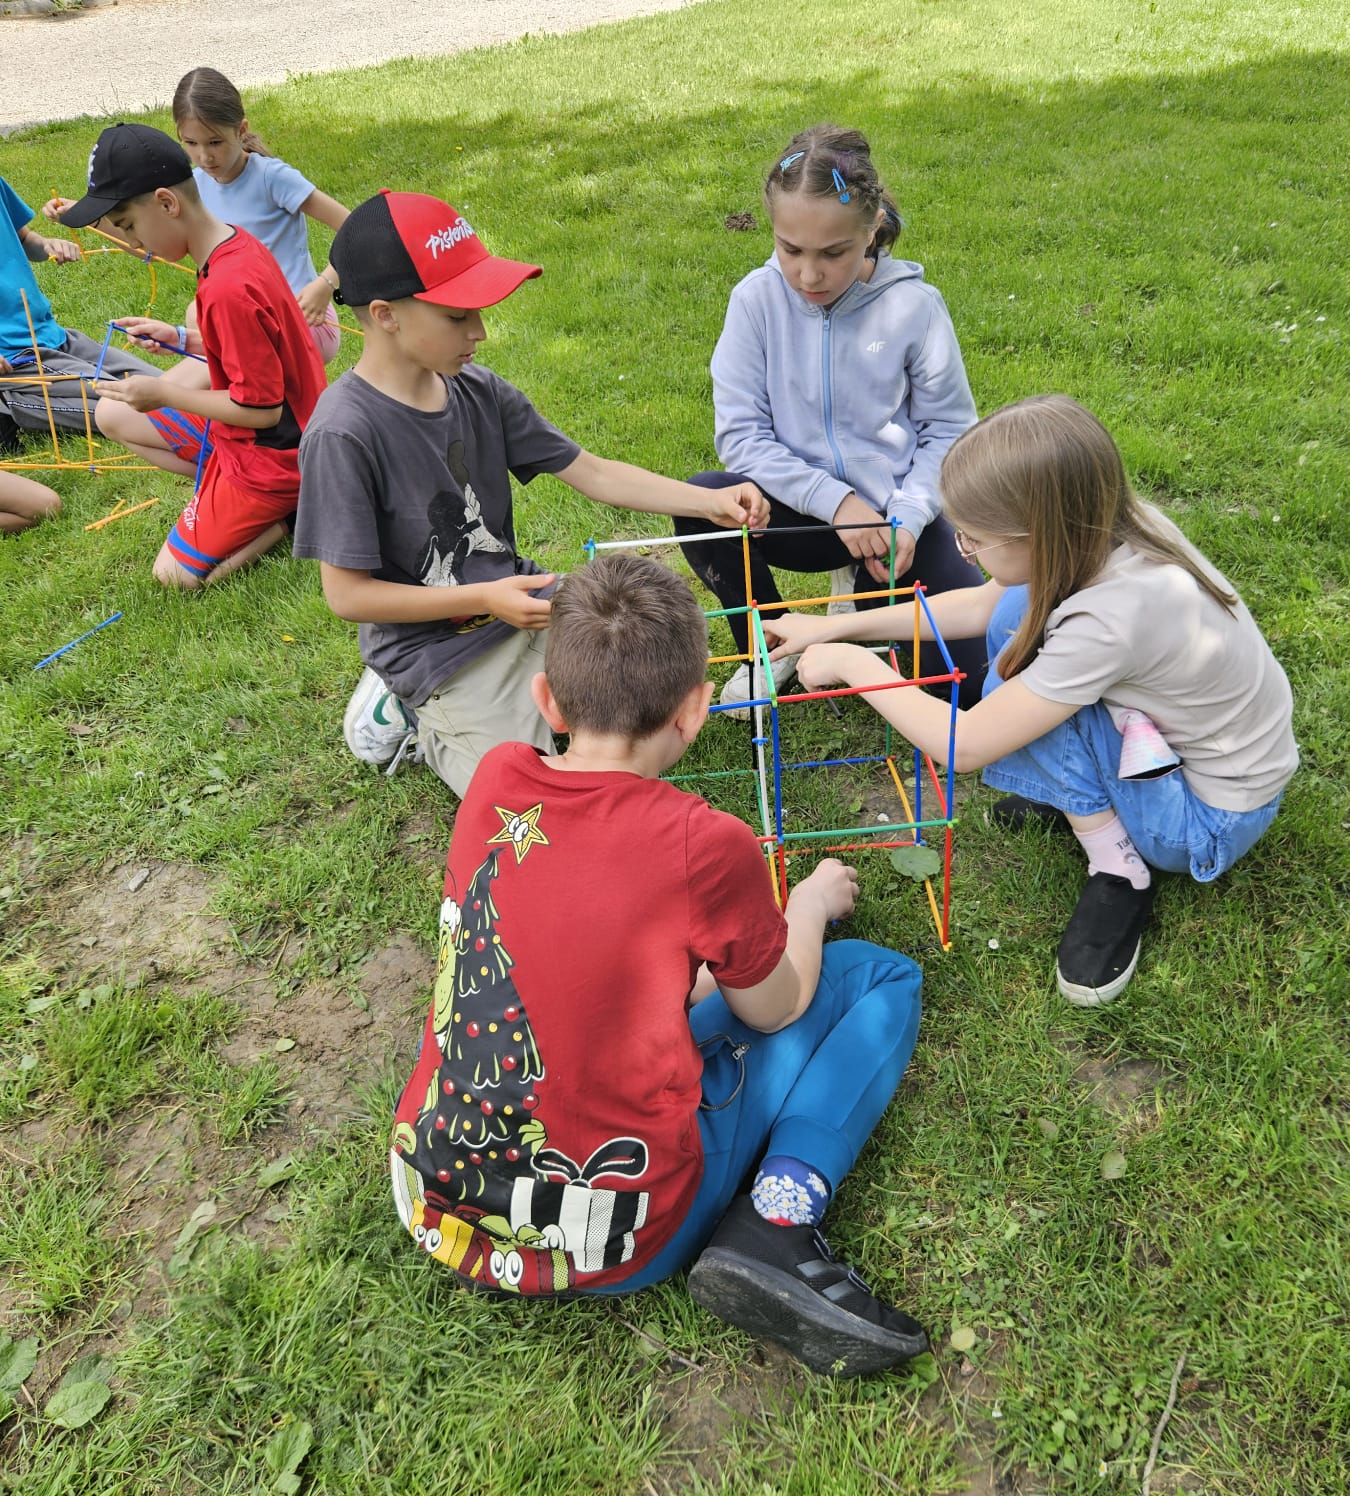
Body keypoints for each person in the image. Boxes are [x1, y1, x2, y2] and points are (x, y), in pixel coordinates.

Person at [388, 551, 928, 1377]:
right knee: (880, 978)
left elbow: (602, 959)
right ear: (697, 709)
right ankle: (778, 1220)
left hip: (437, 1202)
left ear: (546, 700)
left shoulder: (494, 780)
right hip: (619, 1239)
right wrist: (808, 906)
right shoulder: (705, 843)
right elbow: (775, 1007)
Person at [765, 395, 1298, 1005]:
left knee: (1017, 675)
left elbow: (966, 743)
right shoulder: (1107, 530)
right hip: (1218, 766)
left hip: (1202, 823)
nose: (963, 550)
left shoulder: (1108, 621)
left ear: (1038, 533)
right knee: (1015, 615)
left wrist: (852, 665)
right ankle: (1083, 800)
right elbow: (980, 605)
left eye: (974, 540)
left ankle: (1118, 866)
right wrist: (833, 627)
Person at [293, 189, 770, 797]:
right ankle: (410, 711)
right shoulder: (343, 434)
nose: (480, 331)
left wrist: (708, 502)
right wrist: (486, 596)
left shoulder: (478, 389)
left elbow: (593, 473)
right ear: (386, 315)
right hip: (437, 651)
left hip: (528, 606)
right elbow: (347, 595)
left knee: (653, 711)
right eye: (457, 316)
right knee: (534, 800)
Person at [674, 125, 985, 713]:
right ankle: (769, 644)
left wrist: (908, 518)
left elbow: (950, 430)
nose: (809, 275)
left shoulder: (915, 307)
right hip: (799, 515)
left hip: (893, 523)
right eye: (790, 250)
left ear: (871, 230)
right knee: (703, 499)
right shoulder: (755, 302)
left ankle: (860, 602)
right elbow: (741, 435)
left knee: (965, 688)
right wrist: (837, 503)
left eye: (833, 253)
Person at [57, 123, 325, 588]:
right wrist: (182, 339)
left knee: (172, 577)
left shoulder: (227, 286)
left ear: (167, 203)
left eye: (129, 225)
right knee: (112, 415)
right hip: (275, 435)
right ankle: (238, 501)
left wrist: (163, 394)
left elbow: (262, 411)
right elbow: (259, 349)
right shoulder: (233, 244)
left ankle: (292, 515)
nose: (133, 243)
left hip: (275, 457)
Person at [47, 69, 351, 478]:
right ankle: (233, 472)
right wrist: (93, 215)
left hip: (303, 318)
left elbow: (355, 228)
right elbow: (145, 233)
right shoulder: (196, 187)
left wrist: (324, 284)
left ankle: (254, 471)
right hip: (245, 318)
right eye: (191, 144)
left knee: (157, 400)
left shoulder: (271, 178)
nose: (205, 157)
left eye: (215, 142)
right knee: (188, 333)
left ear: (241, 131)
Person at [1, 172, 158, 448]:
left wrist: (47, 245)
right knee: (127, 405)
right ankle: (9, 404)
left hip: (53, 336)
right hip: (15, 358)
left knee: (162, 386)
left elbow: (24, 239)